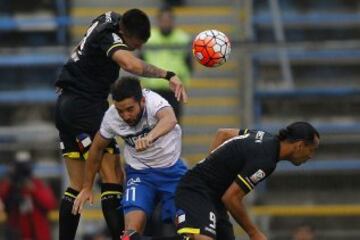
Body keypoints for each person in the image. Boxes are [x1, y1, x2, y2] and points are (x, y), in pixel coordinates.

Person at [54, 8, 188, 240]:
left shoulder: (110, 17)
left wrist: (71, 74)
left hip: (66, 104)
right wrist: (168, 75)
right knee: (113, 175)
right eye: (135, 45)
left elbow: (82, 47)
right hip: (86, 106)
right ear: (125, 34)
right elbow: (131, 66)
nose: (136, 50)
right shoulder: (110, 37)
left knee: (76, 186)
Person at [121, 121, 320, 240]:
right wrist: (253, 232)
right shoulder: (266, 161)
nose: (311, 156)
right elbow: (231, 199)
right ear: (300, 145)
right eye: (312, 150)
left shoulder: (264, 137)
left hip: (211, 197)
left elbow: (223, 133)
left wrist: (210, 163)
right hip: (196, 191)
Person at [72, 77, 187, 237]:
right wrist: (87, 186)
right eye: (121, 110)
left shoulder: (154, 101)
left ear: (142, 101)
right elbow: (96, 149)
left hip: (172, 171)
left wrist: (150, 137)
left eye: (130, 109)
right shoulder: (112, 117)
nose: (125, 116)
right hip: (140, 175)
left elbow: (170, 119)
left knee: (187, 228)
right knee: (130, 233)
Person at [141, 6, 192, 122]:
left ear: (173, 21)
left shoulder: (182, 38)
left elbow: (189, 63)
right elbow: (141, 60)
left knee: (174, 123)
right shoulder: (149, 39)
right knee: (152, 124)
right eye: (163, 20)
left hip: (174, 90)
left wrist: (183, 81)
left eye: (168, 20)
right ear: (158, 21)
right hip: (153, 89)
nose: (166, 23)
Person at [0, 151, 57, 240]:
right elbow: (2, 201)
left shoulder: (37, 184)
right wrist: (10, 183)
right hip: (16, 233)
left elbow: (50, 204)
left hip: (38, 234)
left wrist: (33, 190)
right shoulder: (9, 185)